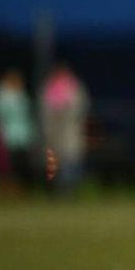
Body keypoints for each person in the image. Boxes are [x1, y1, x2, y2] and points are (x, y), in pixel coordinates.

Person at [40, 62, 90, 193]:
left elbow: (80, 108)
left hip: (70, 129)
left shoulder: (74, 86)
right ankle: (56, 188)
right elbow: (45, 110)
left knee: (71, 158)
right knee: (56, 159)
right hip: (54, 130)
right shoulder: (49, 87)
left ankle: (69, 188)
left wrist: (66, 112)